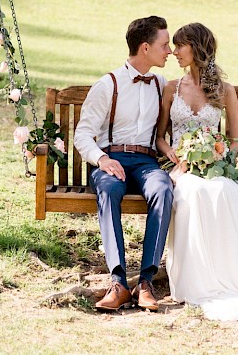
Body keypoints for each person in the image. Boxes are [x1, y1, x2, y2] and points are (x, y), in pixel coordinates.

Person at [156, 23, 238, 321]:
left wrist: (217, 156)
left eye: (180, 46)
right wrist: (176, 157)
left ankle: (226, 274)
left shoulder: (224, 90)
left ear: (197, 48)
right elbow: (160, 136)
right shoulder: (171, 88)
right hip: (178, 167)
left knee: (224, 192)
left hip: (213, 165)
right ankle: (199, 279)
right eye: (174, 46)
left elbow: (237, 138)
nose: (175, 52)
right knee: (194, 192)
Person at [73, 16, 174, 312]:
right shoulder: (109, 84)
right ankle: (118, 282)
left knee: (163, 188)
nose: (168, 50)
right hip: (111, 159)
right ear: (145, 48)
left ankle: (145, 282)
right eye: (164, 44)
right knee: (109, 189)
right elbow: (82, 134)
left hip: (146, 162)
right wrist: (102, 159)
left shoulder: (161, 84)